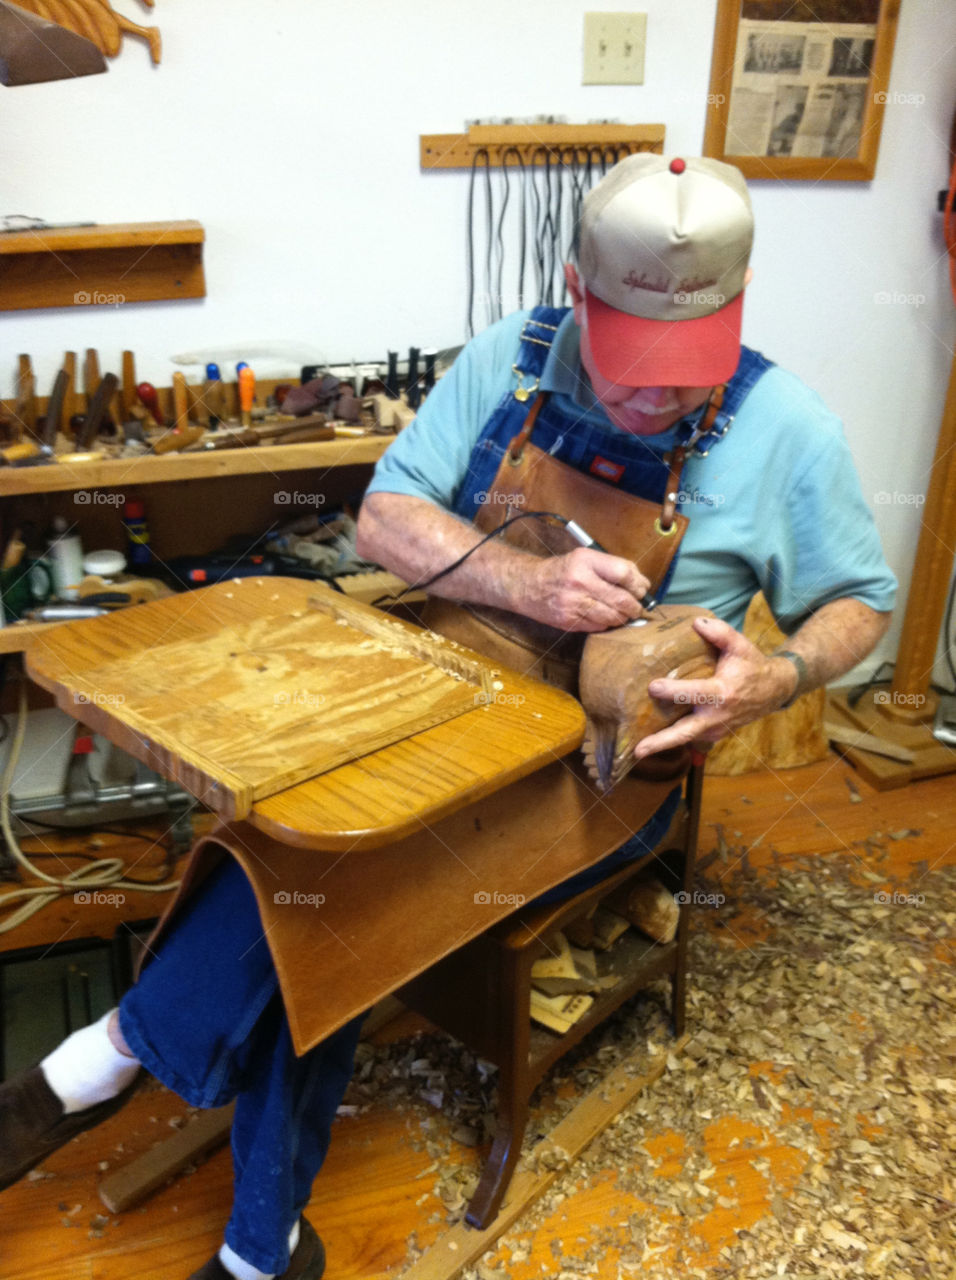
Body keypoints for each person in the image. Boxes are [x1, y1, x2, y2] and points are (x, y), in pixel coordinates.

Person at [0, 154, 895, 1280]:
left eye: (680, 373)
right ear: (577, 290)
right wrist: (525, 587)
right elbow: (381, 519)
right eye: (629, 367)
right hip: (441, 685)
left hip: (596, 763)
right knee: (308, 838)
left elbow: (859, 602)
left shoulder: (787, 430)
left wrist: (772, 676)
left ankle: (117, 1060)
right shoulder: (510, 360)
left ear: (738, 303)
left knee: (334, 884)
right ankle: (257, 1244)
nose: (651, 399)